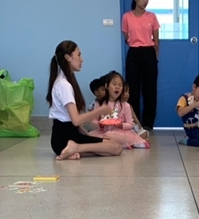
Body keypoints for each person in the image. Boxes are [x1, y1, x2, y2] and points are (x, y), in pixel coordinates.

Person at [46, 41, 123, 160]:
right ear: (68, 57)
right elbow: (76, 120)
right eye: (78, 55)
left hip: (64, 136)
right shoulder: (64, 85)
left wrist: (89, 137)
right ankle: (75, 148)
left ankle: (74, 150)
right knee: (116, 147)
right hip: (65, 138)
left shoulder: (63, 81)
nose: (81, 59)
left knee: (107, 147)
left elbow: (72, 123)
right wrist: (100, 110)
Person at [122, 0, 160, 130]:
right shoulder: (126, 17)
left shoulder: (152, 16)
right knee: (132, 89)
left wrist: (155, 56)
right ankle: (133, 122)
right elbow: (127, 38)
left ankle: (148, 124)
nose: (145, 1)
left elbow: (156, 41)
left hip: (149, 53)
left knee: (150, 89)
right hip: (133, 53)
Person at [88, 71, 149, 149]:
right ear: (107, 86)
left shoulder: (125, 105)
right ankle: (121, 144)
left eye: (120, 85)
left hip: (121, 133)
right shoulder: (99, 104)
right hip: (103, 132)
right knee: (91, 135)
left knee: (111, 136)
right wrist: (99, 124)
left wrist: (121, 125)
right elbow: (94, 120)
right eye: (114, 84)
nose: (117, 87)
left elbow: (130, 124)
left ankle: (125, 143)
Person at [176, 75, 199, 147]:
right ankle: (187, 141)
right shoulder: (184, 98)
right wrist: (194, 105)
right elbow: (180, 113)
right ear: (194, 87)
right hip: (191, 128)